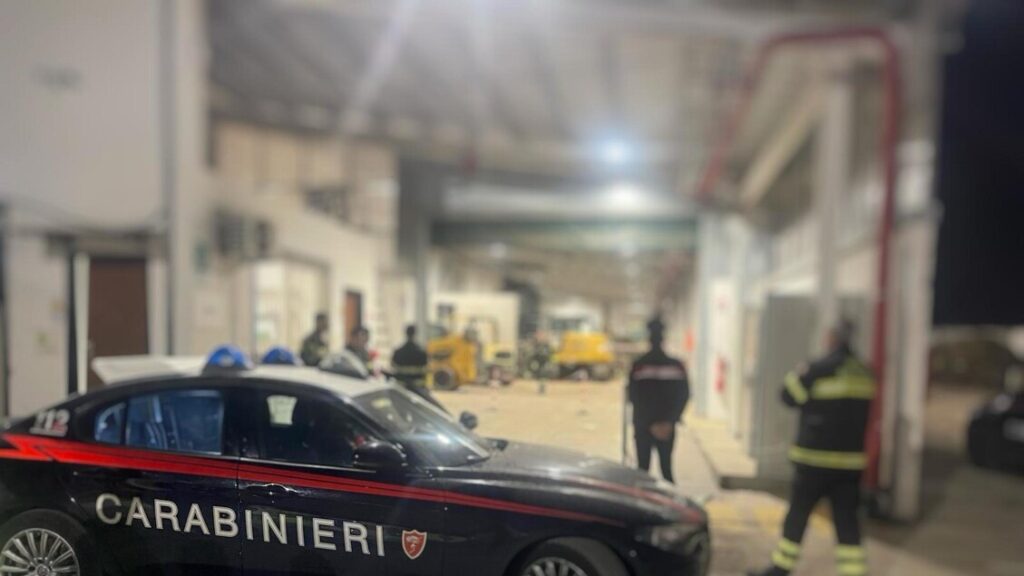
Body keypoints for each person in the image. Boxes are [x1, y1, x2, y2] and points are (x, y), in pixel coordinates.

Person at [749, 319, 875, 576]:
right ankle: (854, 573)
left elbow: (787, 396)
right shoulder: (864, 373)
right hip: (849, 466)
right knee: (847, 522)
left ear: (831, 338)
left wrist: (800, 372)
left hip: (814, 462)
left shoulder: (818, 369)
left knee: (797, 516)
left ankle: (781, 568)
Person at [628, 317, 690, 483]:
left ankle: (641, 499)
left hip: (643, 425)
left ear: (648, 338)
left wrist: (650, 424)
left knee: (642, 471)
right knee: (666, 470)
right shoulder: (676, 366)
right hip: (666, 427)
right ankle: (670, 499)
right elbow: (683, 395)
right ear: (664, 338)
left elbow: (633, 397)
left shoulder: (639, 365)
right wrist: (669, 421)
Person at [391, 325, 444, 410]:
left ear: (406, 333)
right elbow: (427, 370)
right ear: (415, 334)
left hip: (402, 390)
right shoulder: (421, 352)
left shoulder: (398, 352)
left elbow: (393, 367)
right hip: (419, 391)